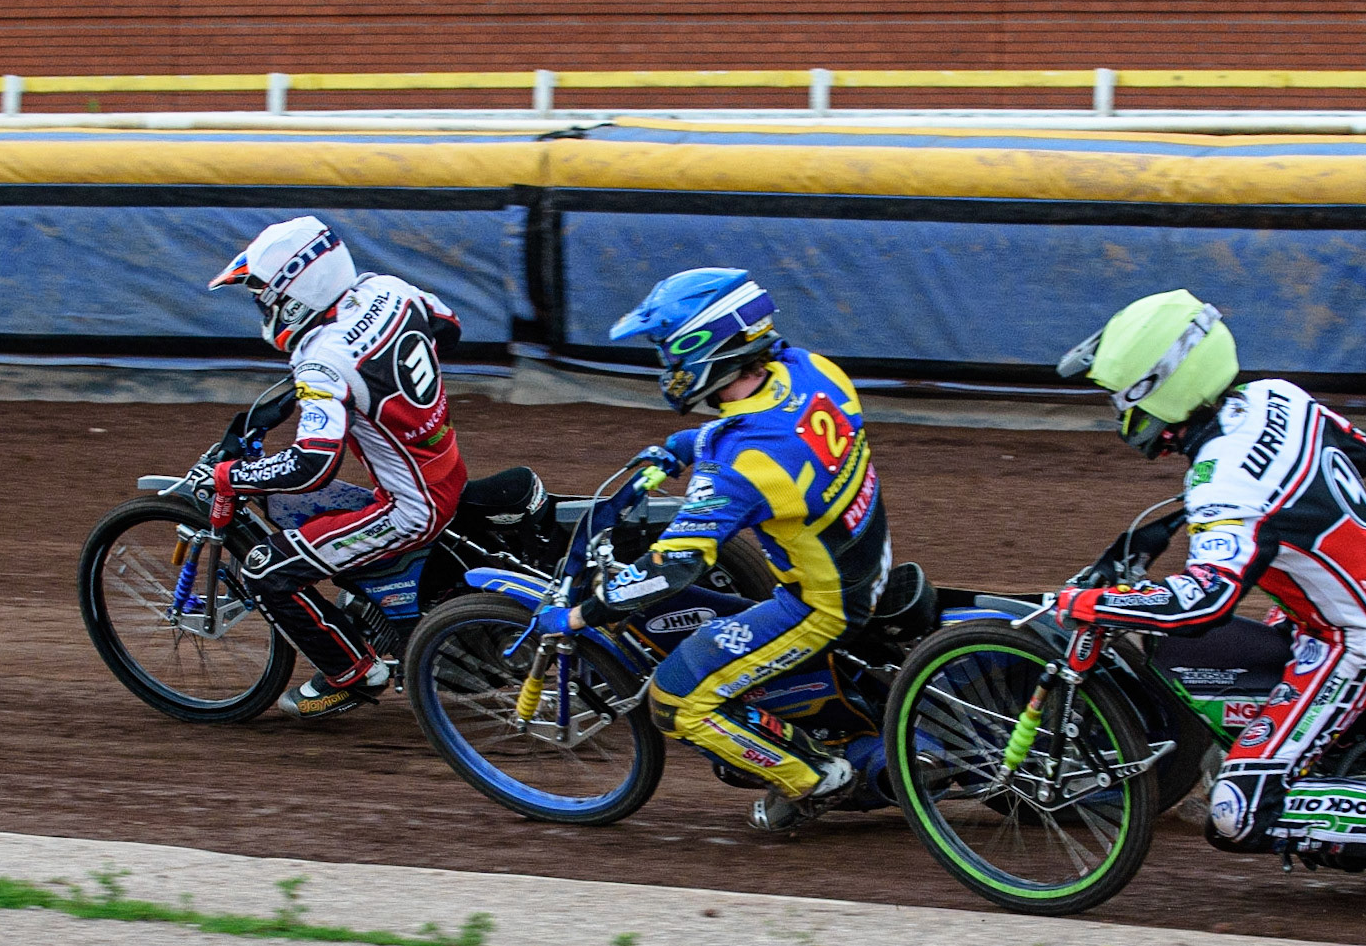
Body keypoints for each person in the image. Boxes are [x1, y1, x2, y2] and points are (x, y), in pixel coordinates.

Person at [1051, 288, 1366, 925]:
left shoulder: (1222, 479)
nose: (1118, 415)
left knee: (1236, 814)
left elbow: (1202, 602)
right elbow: (1364, 454)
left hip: (1350, 637)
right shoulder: (1276, 395)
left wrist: (1097, 605)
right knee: (1223, 682)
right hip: (1336, 602)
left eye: (1121, 398)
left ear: (1160, 390)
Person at [532, 268, 891, 831]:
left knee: (676, 700)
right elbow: (772, 424)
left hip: (822, 604)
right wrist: (682, 447)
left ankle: (814, 778)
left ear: (705, 346)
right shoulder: (813, 370)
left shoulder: (740, 464)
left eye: (669, 352)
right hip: (866, 555)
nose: (667, 368)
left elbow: (674, 565)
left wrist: (583, 613)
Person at [204, 216, 467, 719]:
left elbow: (312, 465)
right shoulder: (388, 289)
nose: (263, 306)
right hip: (445, 462)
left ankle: (354, 674)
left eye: (265, 295)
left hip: (411, 508)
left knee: (266, 569)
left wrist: (231, 476)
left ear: (296, 290)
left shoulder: (322, 358)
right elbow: (447, 327)